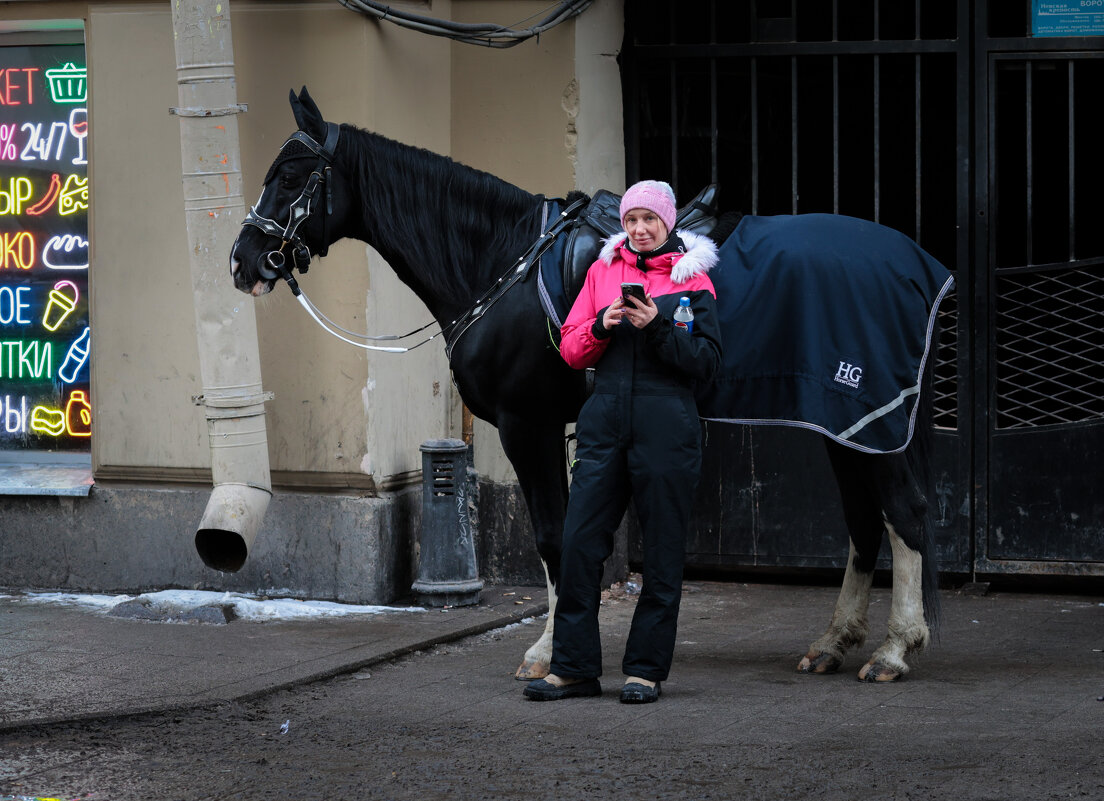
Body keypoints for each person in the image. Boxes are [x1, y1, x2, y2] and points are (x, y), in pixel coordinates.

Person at [524, 180, 723, 704]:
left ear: (668, 224)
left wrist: (658, 326)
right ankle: (574, 668)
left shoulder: (693, 280)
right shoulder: (602, 271)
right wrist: (602, 324)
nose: (637, 229)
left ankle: (644, 671)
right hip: (605, 423)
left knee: (661, 552)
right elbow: (570, 350)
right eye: (631, 219)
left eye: (648, 220)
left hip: (667, 427)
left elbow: (707, 365)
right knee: (579, 543)